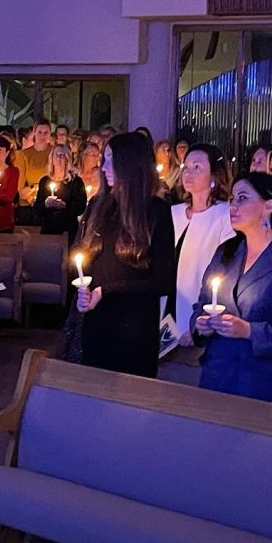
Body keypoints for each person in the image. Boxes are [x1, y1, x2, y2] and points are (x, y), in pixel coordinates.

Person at [193, 172, 272, 404]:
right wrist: (202, 324)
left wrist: (250, 331)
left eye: (242, 198)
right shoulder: (226, 252)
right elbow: (202, 303)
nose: (233, 206)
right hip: (217, 374)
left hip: (264, 382)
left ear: (268, 206)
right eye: (232, 199)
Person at [74, 132, 176, 377]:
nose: (103, 166)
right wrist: (83, 289)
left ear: (130, 164)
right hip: (97, 322)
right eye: (104, 158)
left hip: (135, 327)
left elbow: (163, 280)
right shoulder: (98, 206)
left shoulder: (155, 211)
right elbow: (83, 258)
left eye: (111, 159)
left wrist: (106, 291)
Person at [169, 144, 235, 343]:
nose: (188, 173)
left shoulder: (225, 215)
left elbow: (226, 271)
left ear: (214, 176)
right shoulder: (173, 213)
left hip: (199, 313)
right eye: (185, 167)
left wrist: (199, 322)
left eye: (197, 167)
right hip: (166, 306)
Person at [33, 144, 86, 242]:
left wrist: (65, 205)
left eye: (62, 155)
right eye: (56, 155)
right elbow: (37, 208)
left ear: (67, 159)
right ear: (51, 159)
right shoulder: (44, 181)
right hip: (49, 228)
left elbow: (81, 206)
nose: (59, 158)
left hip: (69, 229)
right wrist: (46, 204)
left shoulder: (76, 182)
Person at [14, 119, 53, 221]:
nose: (42, 136)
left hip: (49, 201)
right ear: (34, 132)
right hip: (27, 204)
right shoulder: (24, 155)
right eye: (39, 132)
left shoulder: (54, 153)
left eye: (46, 133)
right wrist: (31, 198)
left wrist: (33, 187)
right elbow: (20, 186)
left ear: (50, 134)